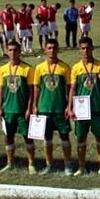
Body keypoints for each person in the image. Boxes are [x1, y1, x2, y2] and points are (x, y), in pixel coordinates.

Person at [67, 37, 100, 176]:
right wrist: (69, 107)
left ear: (92, 48)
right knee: (81, 138)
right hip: (81, 110)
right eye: (83, 48)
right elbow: (73, 88)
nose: (86, 51)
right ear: (79, 50)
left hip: (96, 109)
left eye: (88, 48)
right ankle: (81, 166)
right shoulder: (76, 68)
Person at [0, 40, 36, 173]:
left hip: (22, 110)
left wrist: (29, 107)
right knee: (9, 137)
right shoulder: (2, 70)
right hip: (8, 110)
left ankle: (31, 164)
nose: (13, 53)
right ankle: (10, 163)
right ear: (7, 52)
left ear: (19, 52)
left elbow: (32, 91)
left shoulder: (27, 69)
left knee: (27, 137)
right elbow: (1, 90)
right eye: (10, 50)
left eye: (15, 50)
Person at [35, 38, 73, 174]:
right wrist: (35, 105)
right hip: (45, 108)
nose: (52, 51)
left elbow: (69, 89)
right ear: (45, 50)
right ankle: (49, 164)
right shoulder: (39, 68)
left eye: (54, 48)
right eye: (49, 48)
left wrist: (69, 106)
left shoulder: (64, 67)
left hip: (60, 108)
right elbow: (37, 88)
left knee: (64, 136)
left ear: (58, 50)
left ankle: (68, 165)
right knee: (47, 137)